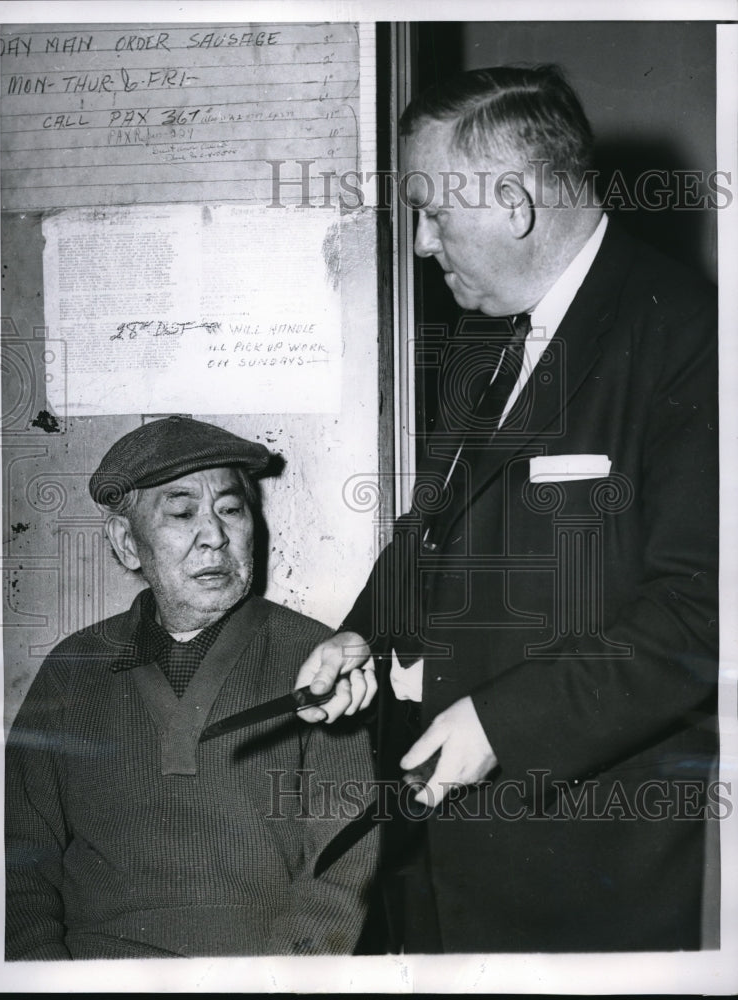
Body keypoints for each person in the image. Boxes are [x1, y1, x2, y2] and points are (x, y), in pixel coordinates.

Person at [296, 65, 719, 952]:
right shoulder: (490, 339)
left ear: (516, 204)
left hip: (586, 872)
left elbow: (698, 615)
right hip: (447, 862)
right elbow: (439, 531)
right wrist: (363, 636)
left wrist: (501, 723)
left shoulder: (693, 340)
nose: (418, 242)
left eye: (432, 211)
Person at [5, 415, 378, 959]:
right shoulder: (74, 666)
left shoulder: (315, 660)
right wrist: (44, 975)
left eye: (230, 509)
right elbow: (18, 856)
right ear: (127, 543)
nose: (215, 536)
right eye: (182, 513)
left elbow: (347, 856)